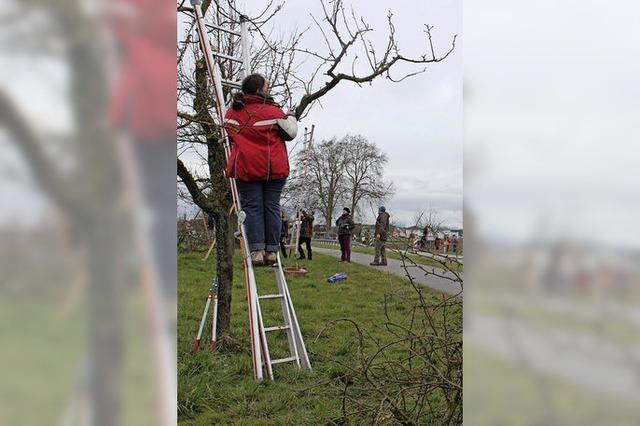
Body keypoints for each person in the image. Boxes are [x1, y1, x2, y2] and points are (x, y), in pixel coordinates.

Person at [224, 73, 298, 266]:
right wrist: (291, 115)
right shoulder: (273, 111)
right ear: (260, 90)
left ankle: (257, 251)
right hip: (272, 168)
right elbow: (291, 132)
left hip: (246, 168)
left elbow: (227, 130)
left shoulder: (233, 113)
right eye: (266, 86)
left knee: (252, 208)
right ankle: (272, 251)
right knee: (272, 207)